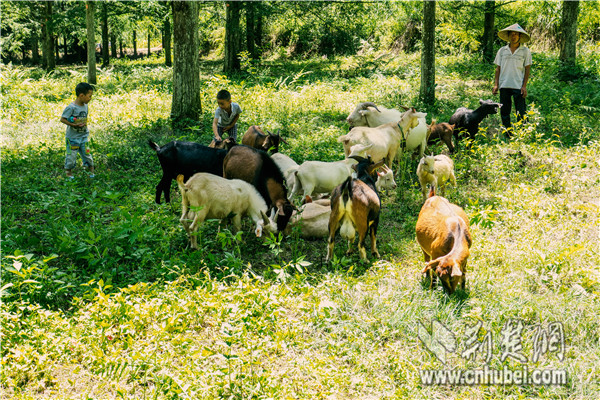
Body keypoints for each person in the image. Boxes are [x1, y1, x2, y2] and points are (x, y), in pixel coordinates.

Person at [492, 23, 532, 135]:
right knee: (505, 111)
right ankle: (508, 134)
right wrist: (496, 84)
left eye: (516, 34)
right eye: (511, 34)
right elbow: (498, 69)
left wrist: (524, 86)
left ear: (519, 36)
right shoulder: (502, 50)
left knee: (521, 111)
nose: (513, 36)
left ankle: (523, 134)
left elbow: (527, 69)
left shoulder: (525, 51)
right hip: (504, 84)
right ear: (509, 36)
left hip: (518, 85)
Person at [60, 82, 95, 179]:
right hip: (73, 137)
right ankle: (68, 172)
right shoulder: (71, 107)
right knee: (71, 156)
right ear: (81, 95)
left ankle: (91, 171)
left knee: (87, 154)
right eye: (89, 96)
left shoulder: (85, 105)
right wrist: (73, 124)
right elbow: (62, 119)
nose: (90, 98)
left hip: (83, 136)